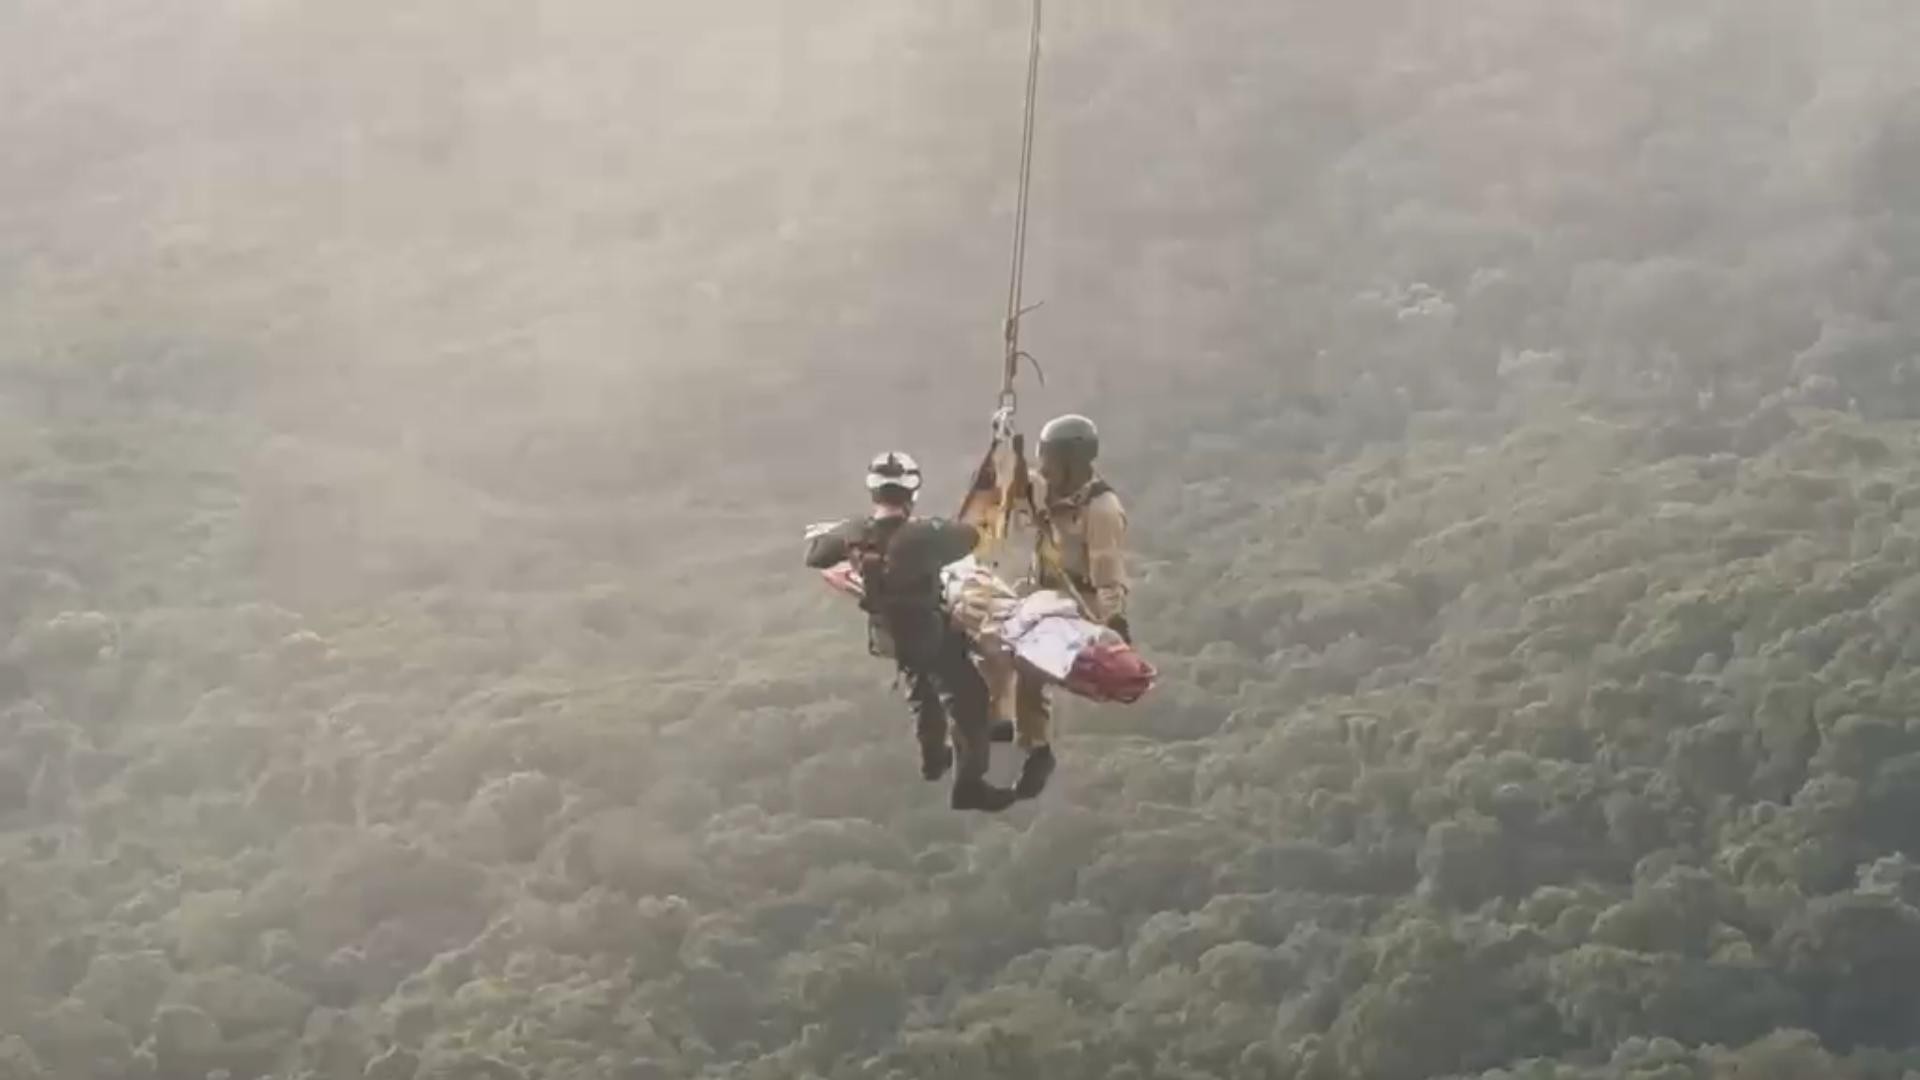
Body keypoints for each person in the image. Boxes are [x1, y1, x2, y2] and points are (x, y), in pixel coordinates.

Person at [805, 452, 1019, 813]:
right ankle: (970, 786)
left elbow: (816, 556)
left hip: (888, 633)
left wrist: (845, 534)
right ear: (911, 492)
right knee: (968, 701)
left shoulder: (854, 532)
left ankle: (933, 759)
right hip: (929, 632)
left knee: (921, 689)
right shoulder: (922, 534)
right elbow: (969, 537)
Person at [989, 413, 1131, 800]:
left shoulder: (1100, 510)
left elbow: (1107, 569)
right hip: (1043, 589)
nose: (1044, 467)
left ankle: (1036, 746)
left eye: (1050, 459)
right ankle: (1000, 722)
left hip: (1077, 598)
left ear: (1072, 462)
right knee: (989, 634)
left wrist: (1114, 622)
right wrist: (1009, 453)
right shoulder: (1050, 490)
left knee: (1028, 658)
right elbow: (1019, 491)